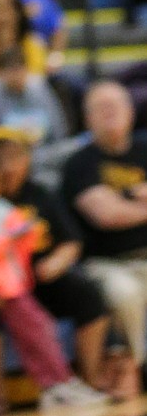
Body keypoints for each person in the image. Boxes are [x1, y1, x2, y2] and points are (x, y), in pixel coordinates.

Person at [0, 145, 105, 414]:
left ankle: (54, 385)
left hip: (13, 287)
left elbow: (22, 238)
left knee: (37, 330)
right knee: (38, 330)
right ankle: (58, 383)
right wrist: (4, 244)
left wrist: (22, 237)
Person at [0, 131, 126, 398]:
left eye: (15, 158)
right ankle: (36, 388)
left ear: (27, 160)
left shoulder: (39, 193)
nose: (8, 167)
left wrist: (57, 262)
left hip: (43, 276)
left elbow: (72, 240)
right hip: (7, 281)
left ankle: (91, 378)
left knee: (87, 293)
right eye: (2, 158)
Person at [62, 80, 147, 369]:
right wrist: (134, 197)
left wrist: (122, 199)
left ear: (131, 111)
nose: (110, 112)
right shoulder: (79, 164)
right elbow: (107, 216)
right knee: (125, 293)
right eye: (101, 107)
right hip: (107, 263)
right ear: (87, 119)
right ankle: (138, 369)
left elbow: (115, 207)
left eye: (116, 105)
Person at [0, 48, 67, 149]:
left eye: (19, 70)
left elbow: (58, 126)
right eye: (10, 71)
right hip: (5, 156)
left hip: (44, 151)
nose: (16, 77)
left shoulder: (39, 87)